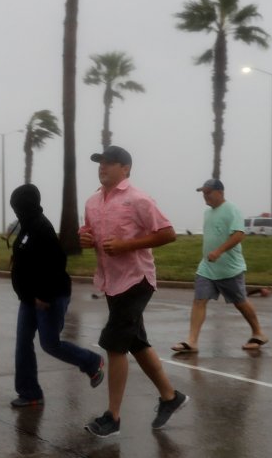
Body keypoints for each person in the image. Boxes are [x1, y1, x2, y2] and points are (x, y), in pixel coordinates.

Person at [79, 146, 189, 437]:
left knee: (115, 344)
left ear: (125, 168)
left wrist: (127, 245)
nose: (102, 167)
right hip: (110, 281)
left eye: (109, 163)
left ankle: (112, 418)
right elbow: (87, 231)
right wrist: (85, 238)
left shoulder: (137, 198)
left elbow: (167, 233)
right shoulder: (92, 201)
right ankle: (170, 397)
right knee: (136, 342)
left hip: (136, 280)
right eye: (99, 163)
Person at [8, 183, 105, 408]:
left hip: (49, 297)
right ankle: (30, 393)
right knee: (23, 343)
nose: (16, 211)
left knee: (50, 344)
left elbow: (56, 264)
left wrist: (44, 295)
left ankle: (92, 362)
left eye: (18, 207)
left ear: (28, 206)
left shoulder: (42, 228)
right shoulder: (26, 227)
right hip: (29, 298)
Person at [171, 179, 269, 354]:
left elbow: (239, 234)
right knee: (199, 300)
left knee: (240, 302)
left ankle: (258, 333)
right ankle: (192, 341)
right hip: (207, 268)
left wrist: (219, 251)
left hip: (229, 268)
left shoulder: (232, 209)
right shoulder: (207, 213)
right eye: (203, 193)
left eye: (208, 192)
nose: (205, 196)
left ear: (220, 192)